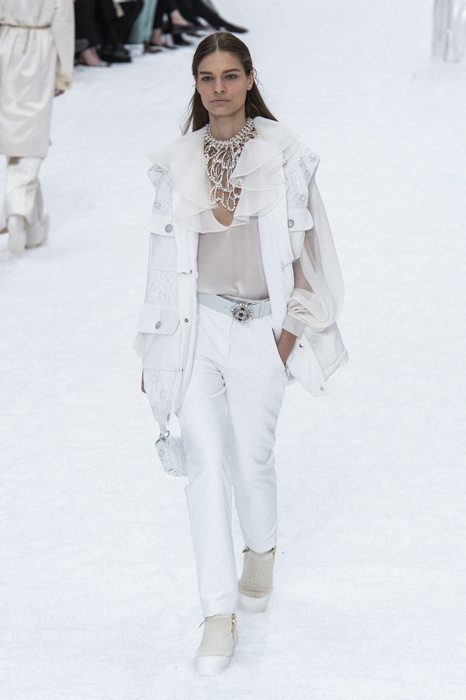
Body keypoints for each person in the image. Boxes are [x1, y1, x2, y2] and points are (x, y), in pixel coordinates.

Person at [135, 31, 348, 675]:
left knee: (250, 462)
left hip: (261, 331)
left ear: (250, 79)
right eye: (207, 78)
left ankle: (262, 548)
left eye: (230, 75)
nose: (219, 88)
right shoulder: (177, 162)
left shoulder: (287, 157)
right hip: (197, 331)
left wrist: (288, 335)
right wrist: (156, 347)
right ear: (196, 87)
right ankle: (216, 614)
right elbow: (161, 264)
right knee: (204, 464)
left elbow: (314, 258)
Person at [0, 0, 74, 254]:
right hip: (39, 49)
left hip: (4, 43)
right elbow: (62, 23)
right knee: (32, 133)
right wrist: (64, 73)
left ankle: (34, 226)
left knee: (13, 131)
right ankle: (17, 210)